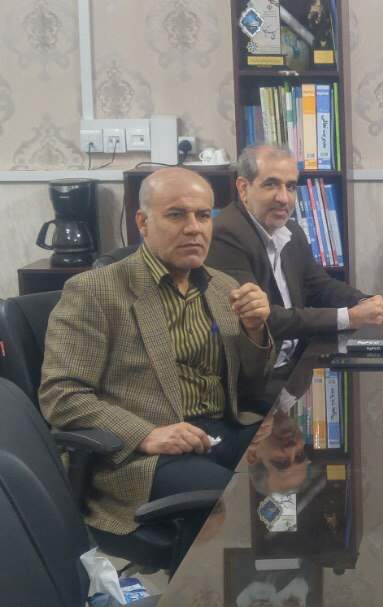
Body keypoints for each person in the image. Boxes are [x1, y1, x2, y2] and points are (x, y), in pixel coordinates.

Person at [39, 167, 275, 558]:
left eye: (203, 215)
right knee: (234, 499)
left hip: (218, 431)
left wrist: (254, 329)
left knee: (292, 475)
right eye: (176, 214)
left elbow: (250, 383)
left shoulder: (223, 288)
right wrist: (146, 434)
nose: (194, 228)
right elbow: (62, 395)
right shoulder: (94, 291)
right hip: (141, 455)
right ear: (143, 222)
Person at [206, 144, 383, 347]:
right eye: (271, 185)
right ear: (243, 188)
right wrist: (350, 317)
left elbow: (320, 286)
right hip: (262, 364)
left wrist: (366, 302)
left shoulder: (292, 231)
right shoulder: (225, 235)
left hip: (297, 357)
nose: (283, 198)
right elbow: (259, 318)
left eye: (290, 187)